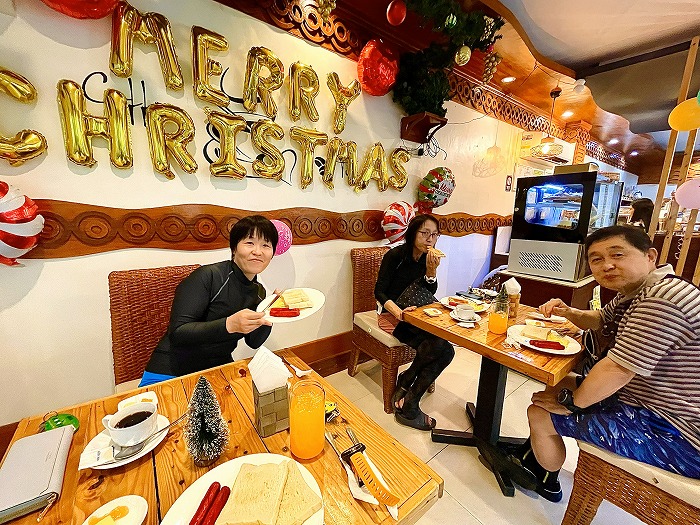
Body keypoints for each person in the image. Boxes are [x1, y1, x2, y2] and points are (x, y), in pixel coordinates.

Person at [491, 225, 700, 502]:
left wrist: (572, 404)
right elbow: (600, 319)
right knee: (560, 382)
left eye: (617, 254)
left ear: (650, 256)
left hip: (679, 432)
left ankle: (544, 477)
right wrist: (568, 312)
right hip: (649, 403)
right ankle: (535, 456)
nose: (607, 265)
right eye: (597, 259)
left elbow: (618, 369)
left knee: (539, 413)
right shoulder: (638, 290)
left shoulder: (663, 299)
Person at [139, 215, 278, 386]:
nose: (257, 251)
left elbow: (253, 342)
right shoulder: (209, 276)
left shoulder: (259, 292)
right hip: (171, 371)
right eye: (249, 243)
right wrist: (228, 325)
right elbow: (178, 332)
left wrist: (271, 314)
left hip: (216, 371)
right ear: (234, 248)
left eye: (266, 245)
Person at [375, 214, 455, 430]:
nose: (430, 239)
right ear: (412, 234)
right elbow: (379, 291)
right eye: (425, 233)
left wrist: (431, 271)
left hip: (417, 316)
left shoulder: (428, 258)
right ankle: (409, 401)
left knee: (447, 351)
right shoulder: (395, 256)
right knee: (440, 347)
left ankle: (408, 387)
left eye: (435, 235)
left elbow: (428, 291)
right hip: (393, 316)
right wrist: (399, 313)